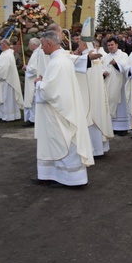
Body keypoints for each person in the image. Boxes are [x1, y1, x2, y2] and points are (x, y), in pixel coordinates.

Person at [33, 31, 93, 187]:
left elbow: (49, 91)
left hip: (60, 111)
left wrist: (39, 83)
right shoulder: (61, 59)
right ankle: (53, 175)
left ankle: (70, 178)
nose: (41, 48)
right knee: (58, 142)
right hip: (62, 108)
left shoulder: (58, 62)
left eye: (42, 44)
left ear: (49, 44)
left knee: (62, 141)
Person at [103, 37, 132, 135]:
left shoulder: (123, 55)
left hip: (120, 86)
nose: (110, 47)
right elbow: (102, 68)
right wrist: (103, 72)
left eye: (112, 45)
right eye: (109, 45)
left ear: (116, 45)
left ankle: (122, 128)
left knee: (121, 105)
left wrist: (115, 64)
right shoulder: (106, 57)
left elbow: (124, 67)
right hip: (108, 84)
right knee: (109, 103)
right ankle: (112, 127)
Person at [0, 39, 24, 122]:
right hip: (2, 80)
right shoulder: (5, 54)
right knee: (1, 98)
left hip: (6, 81)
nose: (0, 46)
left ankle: (8, 116)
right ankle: (1, 115)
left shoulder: (8, 55)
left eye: (1, 44)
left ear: (5, 45)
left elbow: (4, 68)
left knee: (6, 99)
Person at [23, 38, 46, 127]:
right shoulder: (35, 53)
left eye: (29, 43)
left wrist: (27, 68)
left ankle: (33, 119)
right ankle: (30, 118)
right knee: (31, 99)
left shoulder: (38, 53)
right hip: (30, 79)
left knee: (32, 100)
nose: (28, 45)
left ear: (34, 45)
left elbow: (36, 68)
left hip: (34, 79)